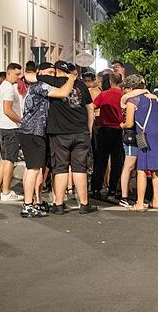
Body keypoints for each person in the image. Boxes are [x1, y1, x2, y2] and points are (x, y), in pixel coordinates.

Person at [38, 60, 98, 215]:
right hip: (80, 131)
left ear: (57, 71)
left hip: (60, 133)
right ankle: (84, 204)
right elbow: (90, 108)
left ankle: (58, 203)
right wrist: (89, 128)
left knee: (60, 167)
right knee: (80, 167)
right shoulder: (81, 84)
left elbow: (31, 76)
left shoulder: (53, 81)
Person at [18, 69, 77, 218]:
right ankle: (28, 205)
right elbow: (63, 93)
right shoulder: (40, 85)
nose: (53, 75)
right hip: (33, 132)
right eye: (50, 72)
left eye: (53, 72)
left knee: (31, 168)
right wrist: (71, 78)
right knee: (33, 169)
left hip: (30, 132)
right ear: (41, 73)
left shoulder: (37, 86)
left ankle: (33, 202)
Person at [121, 74, 158, 212]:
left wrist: (122, 125)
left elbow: (130, 123)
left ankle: (140, 203)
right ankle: (155, 201)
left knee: (142, 168)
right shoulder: (153, 98)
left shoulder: (132, 100)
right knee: (156, 168)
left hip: (145, 133)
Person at [0, 63, 24, 201]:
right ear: (9, 73)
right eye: (16, 74)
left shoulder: (3, 87)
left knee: (4, 160)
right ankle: (6, 192)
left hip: (2, 127)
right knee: (10, 160)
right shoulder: (9, 88)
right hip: (10, 128)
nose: (19, 77)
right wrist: (22, 121)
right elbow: (8, 110)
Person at [90, 73, 125, 199]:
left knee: (101, 160)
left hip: (104, 129)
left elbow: (92, 106)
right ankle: (112, 188)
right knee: (117, 161)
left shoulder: (104, 94)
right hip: (118, 130)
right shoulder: (123, 95)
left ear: (110, 81)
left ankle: (96, 188)